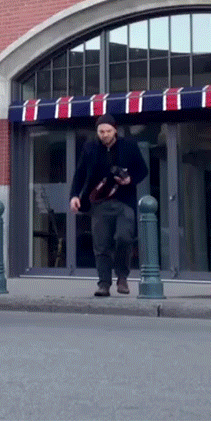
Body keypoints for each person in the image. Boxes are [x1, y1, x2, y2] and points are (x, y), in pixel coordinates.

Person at [69, 114, 148, 297]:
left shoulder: (129, 146)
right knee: (101, 244)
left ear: (115, 130)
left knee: (124, 237)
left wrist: (129, 180)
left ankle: (122, 276)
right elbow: (80, 173)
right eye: (101, 132)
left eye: (108, 131)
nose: (105, 135)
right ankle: (104, 283)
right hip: (99, 202)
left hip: (124, 201)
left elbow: (143, 170)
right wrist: (74, 195)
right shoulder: (90, 148)